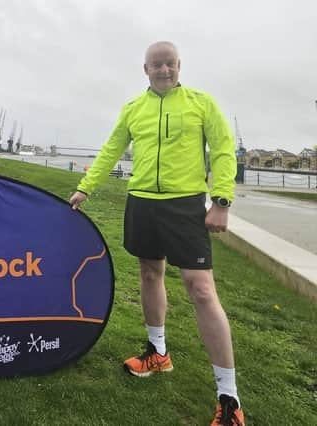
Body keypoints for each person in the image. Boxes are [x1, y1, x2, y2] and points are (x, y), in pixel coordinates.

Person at [69, 41, 244, 426]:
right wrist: (87, 187)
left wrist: (221, 201)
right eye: (156, 65)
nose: (164, 70)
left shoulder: (201, 103)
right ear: (145, 69)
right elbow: (112, 148)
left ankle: (228, 396)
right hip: (142, 202)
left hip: (185, 205)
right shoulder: (133, 108)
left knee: (200, 289)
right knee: (150, 273)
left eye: (170, 63)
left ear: (179, 65)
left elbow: (224, 149)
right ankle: (157, 352)